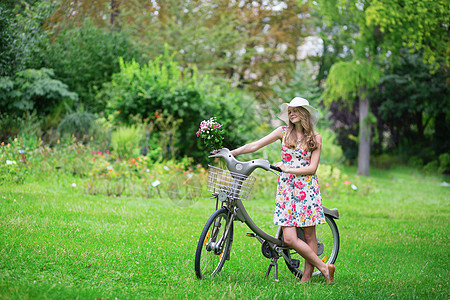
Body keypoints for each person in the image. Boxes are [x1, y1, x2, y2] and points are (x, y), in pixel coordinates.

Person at [230, 97, 335, 284]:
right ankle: (324, 267)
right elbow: (255, 145)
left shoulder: (316, 137)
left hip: (307, 189)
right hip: (287, 189)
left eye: (295, 110)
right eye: (289, 111)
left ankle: (306, 278)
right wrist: (232, 152)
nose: (291, 113)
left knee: (310, 235)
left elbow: (312, 169)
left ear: (304, 113)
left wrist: (288, 169)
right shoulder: (283, 132)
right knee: (289, 238)